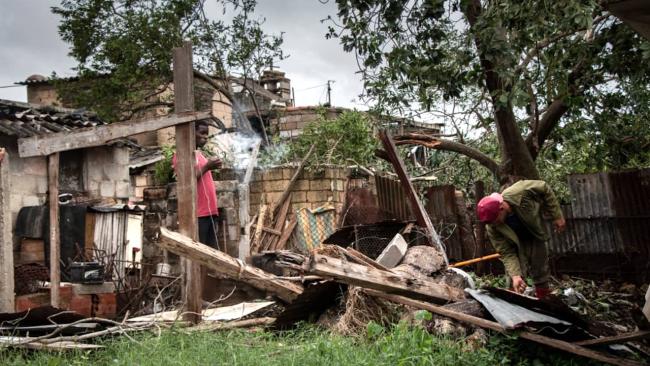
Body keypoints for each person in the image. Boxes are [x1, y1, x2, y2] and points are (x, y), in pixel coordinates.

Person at [476, 180, 566, 299]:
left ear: (501, 207)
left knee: (540, 271)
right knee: (514, 277)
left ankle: (544, 300)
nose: (494, 224)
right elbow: (506, 252)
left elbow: (544, 187)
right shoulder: (492, 226)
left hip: (534, 234)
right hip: (514, 244)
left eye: (495, 219)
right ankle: (516, 303)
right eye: (491, 222)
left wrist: (557, 215)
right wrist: (515, 276)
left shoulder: (519, 192)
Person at [173, 121, 222, 249]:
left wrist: (212, 166)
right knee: (202, 254)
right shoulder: (181, 155)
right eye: (202, 133)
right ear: (191, 133)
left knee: (213, 254)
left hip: (210, 212)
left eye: (207, 134)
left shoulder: (199, 154)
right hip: (199, 214)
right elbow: (186, 181)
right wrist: (207, 166)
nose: (205, 137)